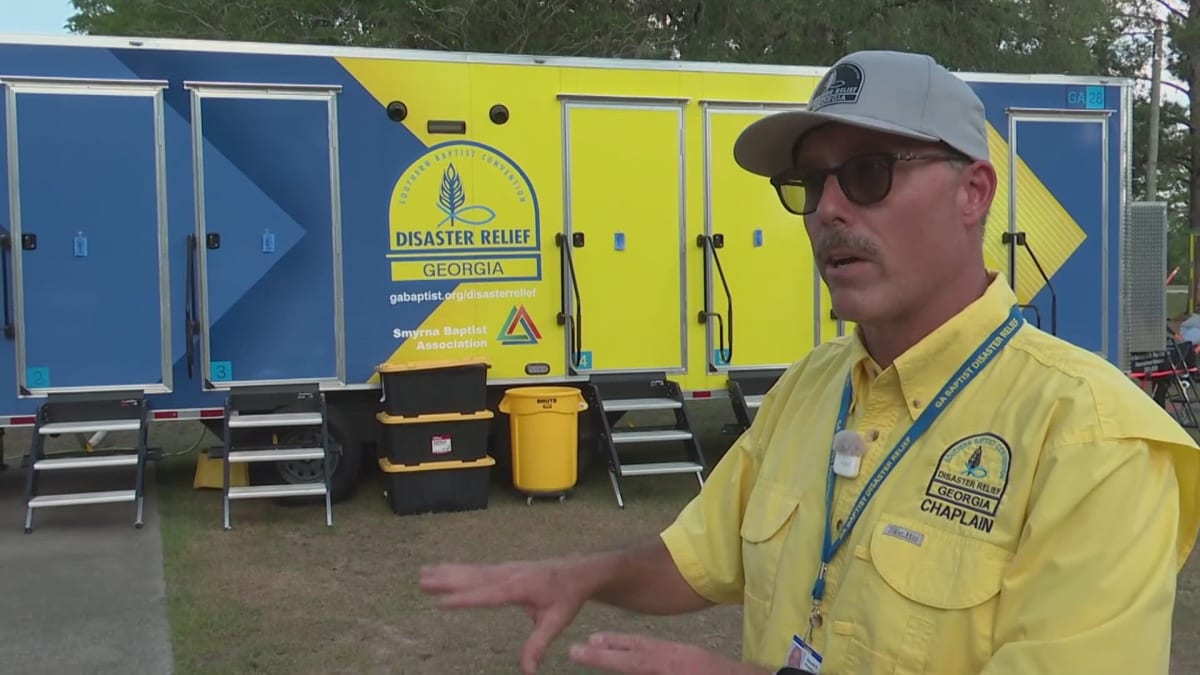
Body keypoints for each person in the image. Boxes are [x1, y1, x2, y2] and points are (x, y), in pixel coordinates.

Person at [419, 49, 1200, 674]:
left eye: (867, 173)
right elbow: (701, 555)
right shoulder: (813, 385)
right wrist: (582, 576)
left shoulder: (1096, 440)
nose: (828, 209)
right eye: (809, 182)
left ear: (974, 192)